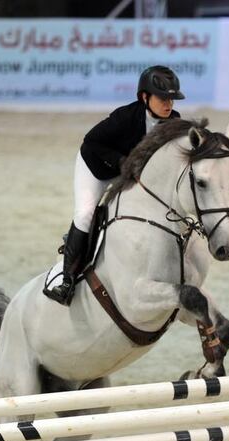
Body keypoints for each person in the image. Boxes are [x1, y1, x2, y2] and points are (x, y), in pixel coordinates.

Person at [46, 65, 184, 306]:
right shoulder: (125, 117)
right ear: (144, 97)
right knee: (86, 213)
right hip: (97, 168)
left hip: (130, 174)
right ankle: (66, 279)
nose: (168, 104)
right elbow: (91, 141)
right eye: (163, 98)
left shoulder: (174, 122)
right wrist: (124, 163)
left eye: (172, 98)